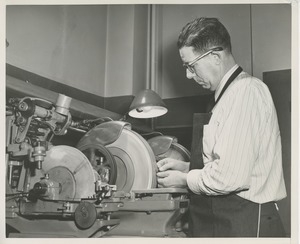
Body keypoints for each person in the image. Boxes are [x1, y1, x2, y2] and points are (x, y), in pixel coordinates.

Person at [156, 17, 287, 237]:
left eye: (191, 65)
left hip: (247, 222)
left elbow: (230, 177)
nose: (188, 74)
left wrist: (184, 179)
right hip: (230, 220)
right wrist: (187, 167)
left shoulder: (246, 91)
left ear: (215, 57)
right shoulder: (225, 98)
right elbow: (226, 162)